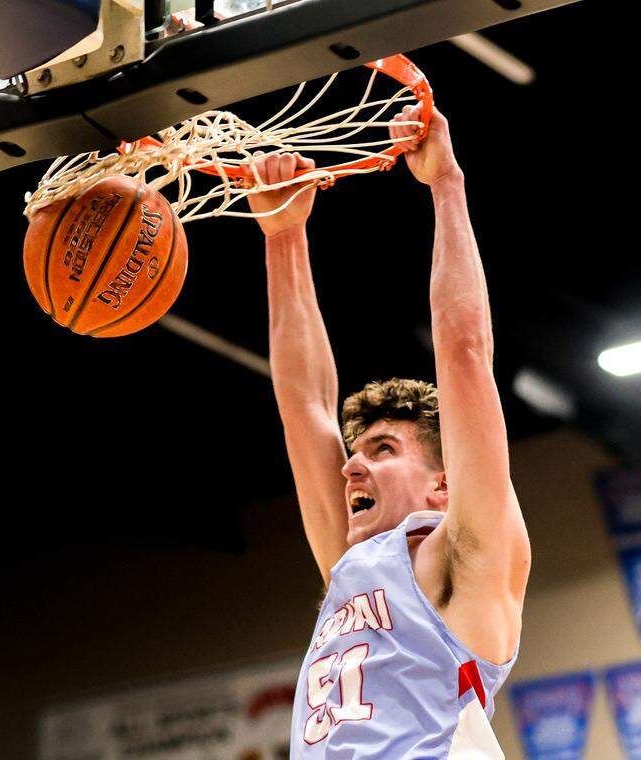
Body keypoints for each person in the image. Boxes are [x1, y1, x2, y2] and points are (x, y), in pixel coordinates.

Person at [247, 102, 531, 758]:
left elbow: (463, 349)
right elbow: (304, 409)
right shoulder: (353, 566)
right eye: (357, 452)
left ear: (444, 484)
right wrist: (283, 236)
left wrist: (446, 184)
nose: (351, 466)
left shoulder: (468, 561)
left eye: (383, 449)